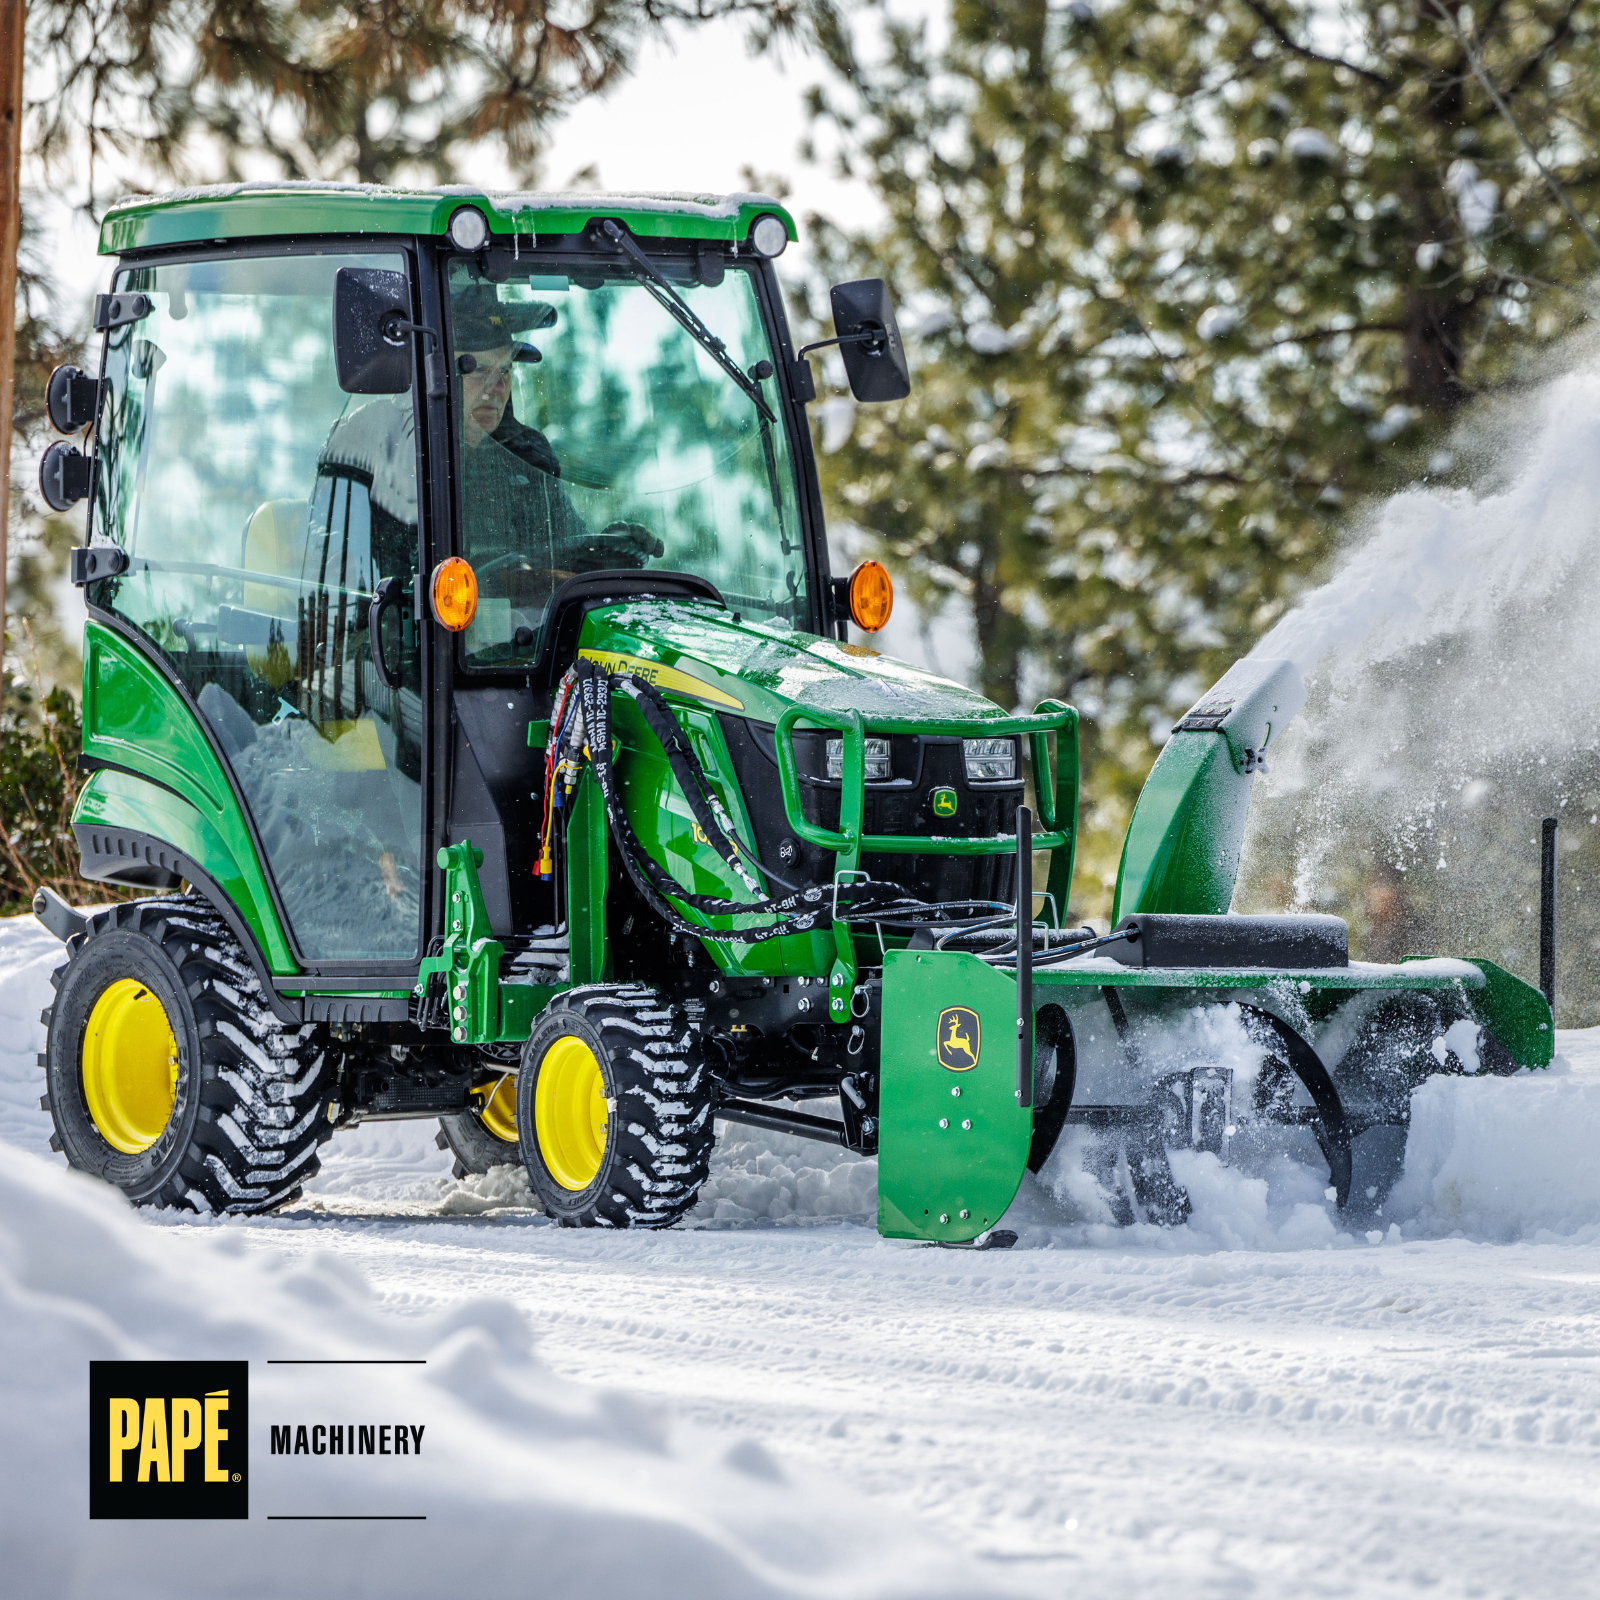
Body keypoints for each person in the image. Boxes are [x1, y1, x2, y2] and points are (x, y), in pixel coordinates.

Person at [450, 284, 661, 590]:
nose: (495, 390)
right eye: (480, 370)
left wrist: (600, 553)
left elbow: (564, 549)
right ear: (440, 372)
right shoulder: (401, 451)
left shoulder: (527, 457)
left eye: (505, 371)